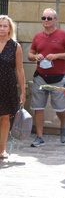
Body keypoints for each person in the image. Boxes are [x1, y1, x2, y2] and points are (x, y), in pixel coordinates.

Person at [28, 8, 65, 147]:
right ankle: (40, 137)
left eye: (49, 18)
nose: (46, 21)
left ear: (55, 20)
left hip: (58, 78)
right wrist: (35, 56)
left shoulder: (63, 34)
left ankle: (63, 125)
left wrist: (57, 56)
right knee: (38, 107)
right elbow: (30, 54)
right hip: (40, 77)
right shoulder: (38, 36)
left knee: (60, 108)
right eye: (44, 18)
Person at [0, 15, 26, 159]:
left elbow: (19, 70)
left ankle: (2, 149)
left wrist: (23, 91)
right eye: (0, 26)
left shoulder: (15, 46)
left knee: (4, 118)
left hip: (7, 86)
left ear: (10, 29)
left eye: (5, 26)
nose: (2, 29)